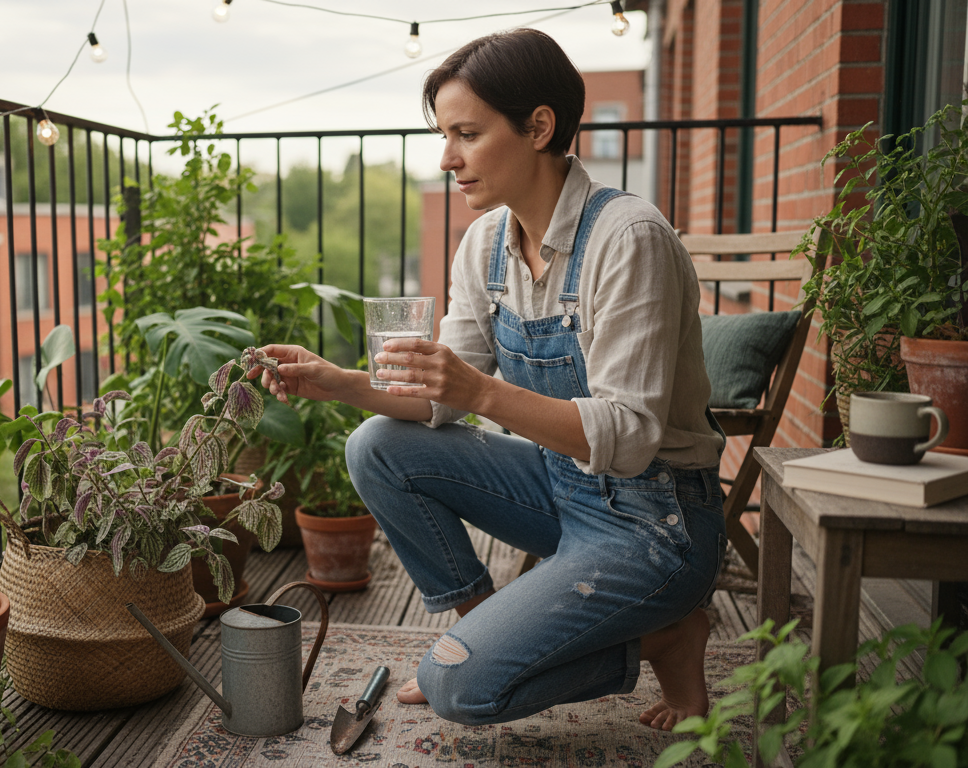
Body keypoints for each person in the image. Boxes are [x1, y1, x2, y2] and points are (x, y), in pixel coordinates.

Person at [248, 27, 727, 731]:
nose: (447, 159)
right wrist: (340, 382)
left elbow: (626, 439)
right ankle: (479, 629)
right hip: (561, 489)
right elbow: (437, 405)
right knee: (376, 444)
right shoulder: (486, 246)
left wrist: (479, 393)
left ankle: (669, 634)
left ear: (539, 127)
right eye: (445, 136)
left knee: (460, 691)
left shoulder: (630, 240)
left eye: (466, 134)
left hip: (655, 521)